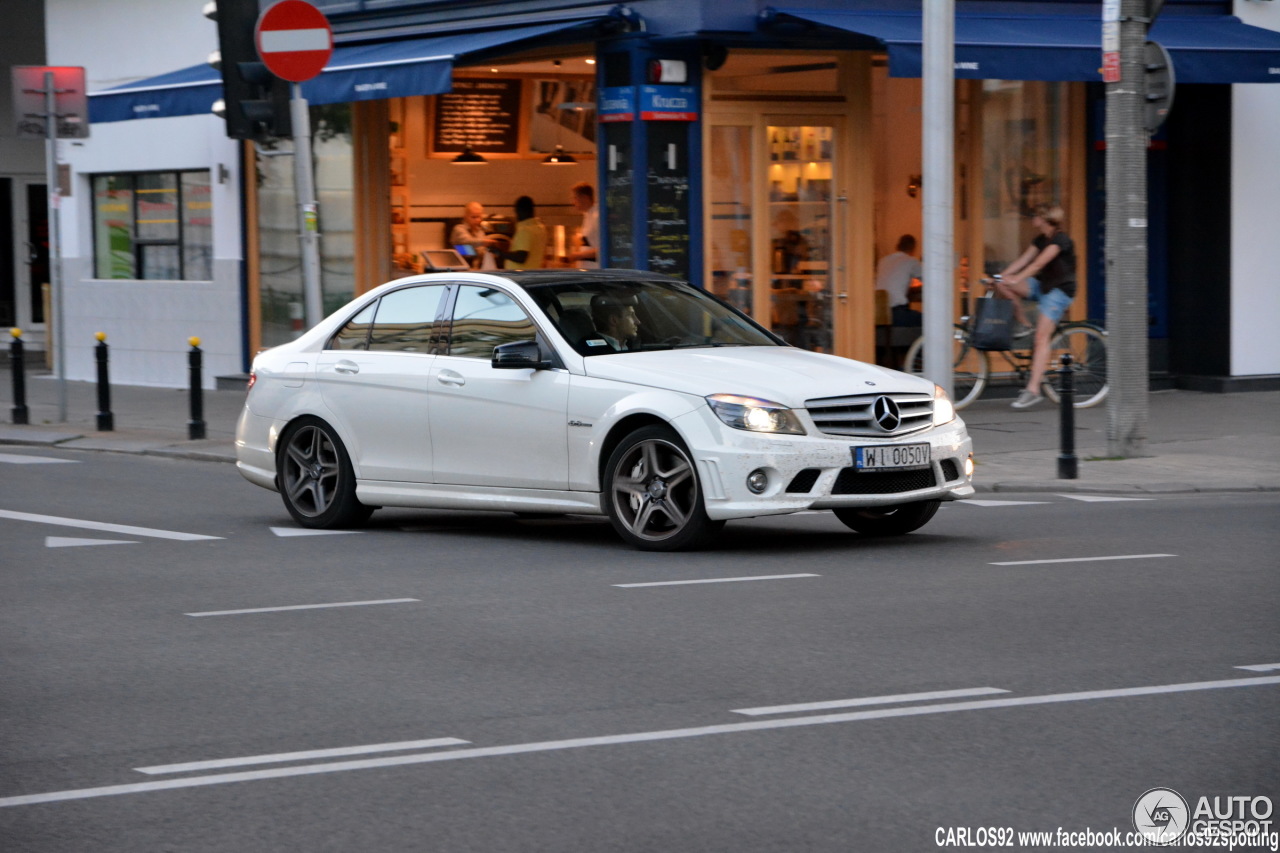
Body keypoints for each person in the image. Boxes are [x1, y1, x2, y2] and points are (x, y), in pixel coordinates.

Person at [992, 204, 1077, 410]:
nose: (1032, 219)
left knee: (1041, 338)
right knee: (1002, 284)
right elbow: (1024, 260)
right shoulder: (1040, 240)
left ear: (1044, 218)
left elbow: (1037, 264)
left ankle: (1033, 390)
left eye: (1035, 216)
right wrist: (1001, 277)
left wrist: (1017, 279)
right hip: (1042, 286)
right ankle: (1024, 324)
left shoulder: (1060, 240)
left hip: (1059, 291)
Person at [875, 234, 923, 327]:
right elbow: (930, 281)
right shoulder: (911, 261)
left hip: (879, 311)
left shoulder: (883, 260)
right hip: (897, 312)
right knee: (930, 320)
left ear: (897, 246)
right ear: (913, 248)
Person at [495, 195, 547, 270]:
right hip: (533, 272)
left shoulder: (525, 230)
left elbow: (521, 257)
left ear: (519, 211)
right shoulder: (541, 228)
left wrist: (500, 253)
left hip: (519, 275)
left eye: (516, 212)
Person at [449, 202, 501, 269]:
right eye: (473, 217)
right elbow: (467, 242)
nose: (477, 220)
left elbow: (481, 251)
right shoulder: (459, 229)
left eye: (479, 217)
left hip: (475, 269)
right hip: (459, 269)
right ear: (465, 217)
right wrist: (483, 243)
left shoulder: (480, 232)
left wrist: (494, 253)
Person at [567, 182, 599, 269]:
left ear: (584, 198)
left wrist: (578, 255)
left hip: (595, 270)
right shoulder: (587, 215)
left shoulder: (597, 216)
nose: (573, 202)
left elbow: (603, 249)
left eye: (575, 198)